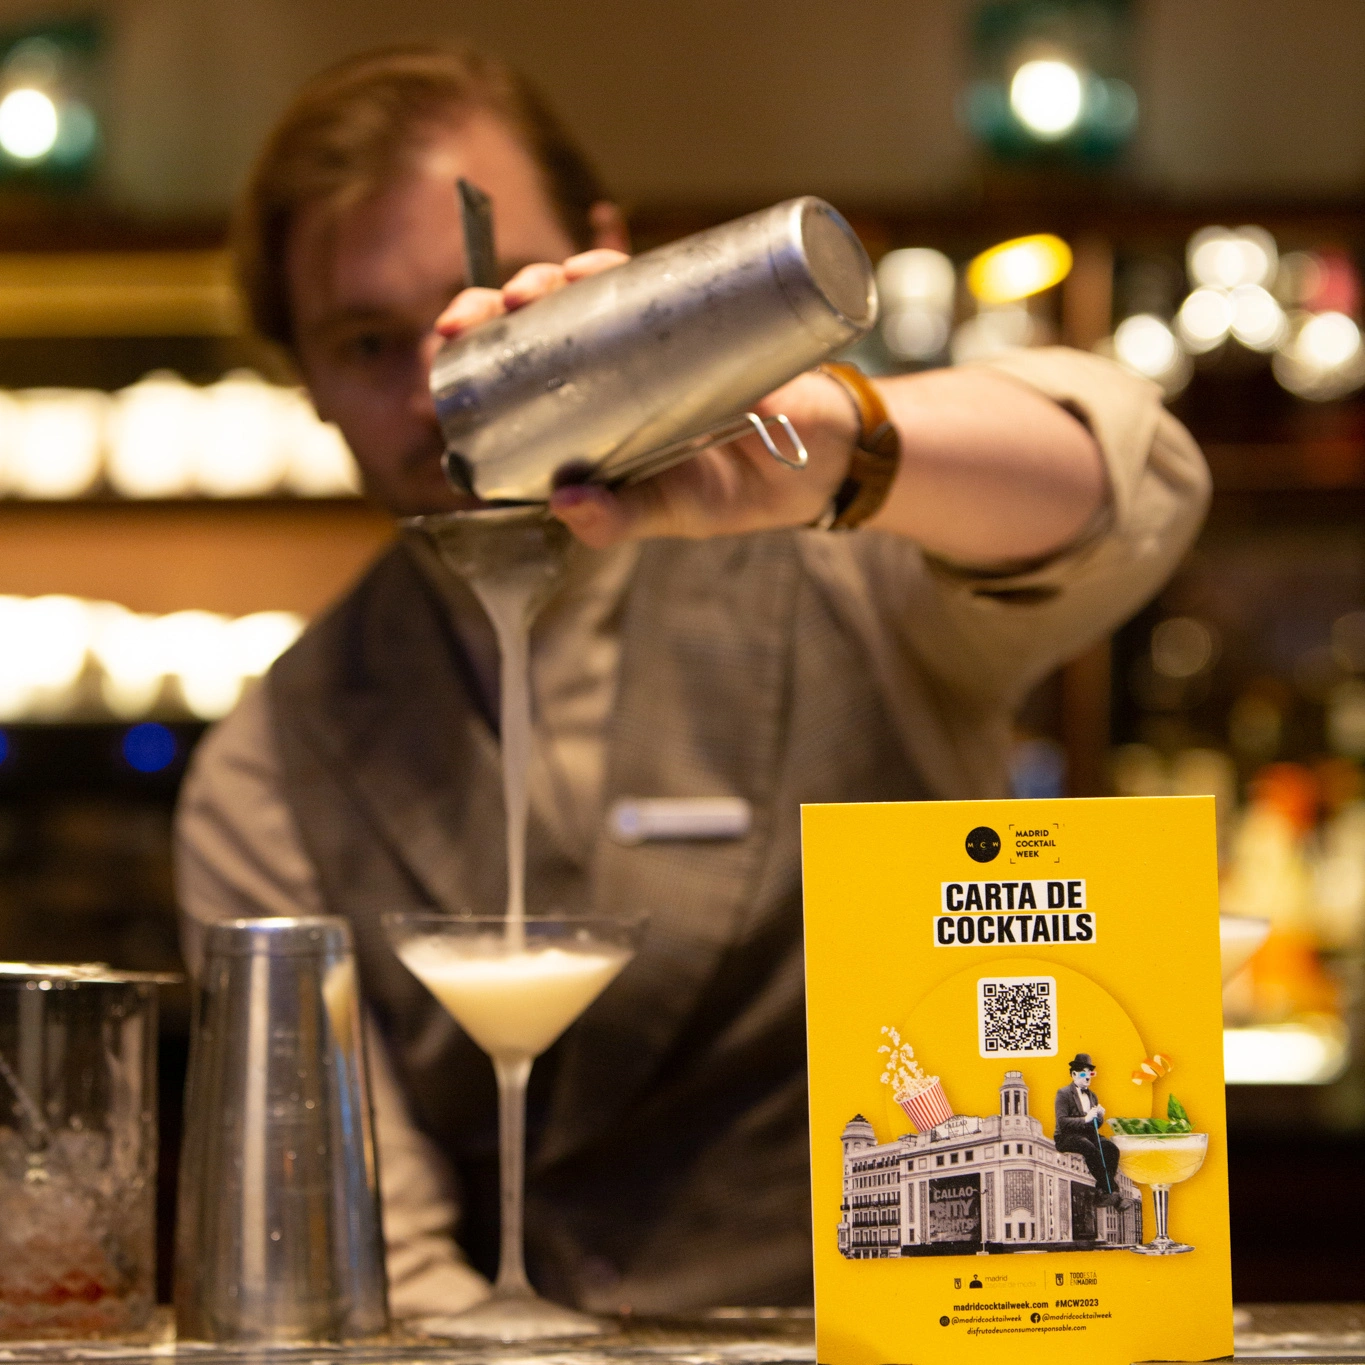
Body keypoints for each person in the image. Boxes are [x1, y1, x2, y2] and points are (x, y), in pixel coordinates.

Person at [175, 44, 1210, 1323]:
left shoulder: (847, 565)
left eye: (488, 300)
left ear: (601, 255)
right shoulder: (271, 764)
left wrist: (825, 449)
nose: (443, 389)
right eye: (369, 341)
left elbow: (1136, 490)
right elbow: (380, 1249)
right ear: (308, 385)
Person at [1053, 1052, 1121, 1206]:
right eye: (1084, 1073)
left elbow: (1095, 1125)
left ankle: (1101, 1191)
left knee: (1111, 1149)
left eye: (1091, 1073)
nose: (1088, 1077)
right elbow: (1062, 1122)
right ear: (1074, 1074)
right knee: (1088, 1147)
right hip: (1066, 1137)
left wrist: (1099, 1117)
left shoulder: (1093, 1096)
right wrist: (1085, 1119)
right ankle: (1113, 1192)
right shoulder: (1063, 1093)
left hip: (1088, 1135)